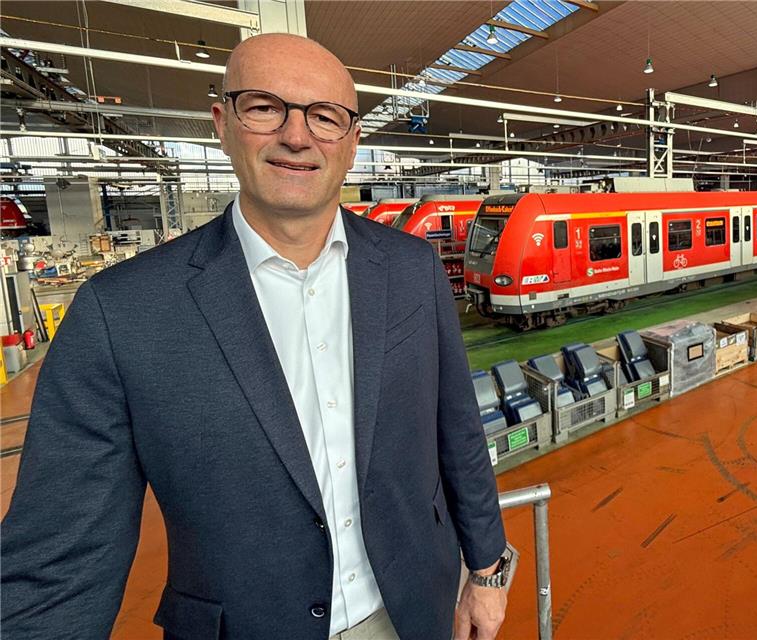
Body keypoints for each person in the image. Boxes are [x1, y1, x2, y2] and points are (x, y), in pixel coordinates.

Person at [1, 33, 510, 640]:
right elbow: (58, 561)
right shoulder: (121, 312)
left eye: (325, 117)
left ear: (351, 143)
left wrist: (488, 569)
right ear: (222, 122)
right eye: (266, 107)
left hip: (412, 611)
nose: (297, 136)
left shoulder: (412, 269)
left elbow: (458, 430)